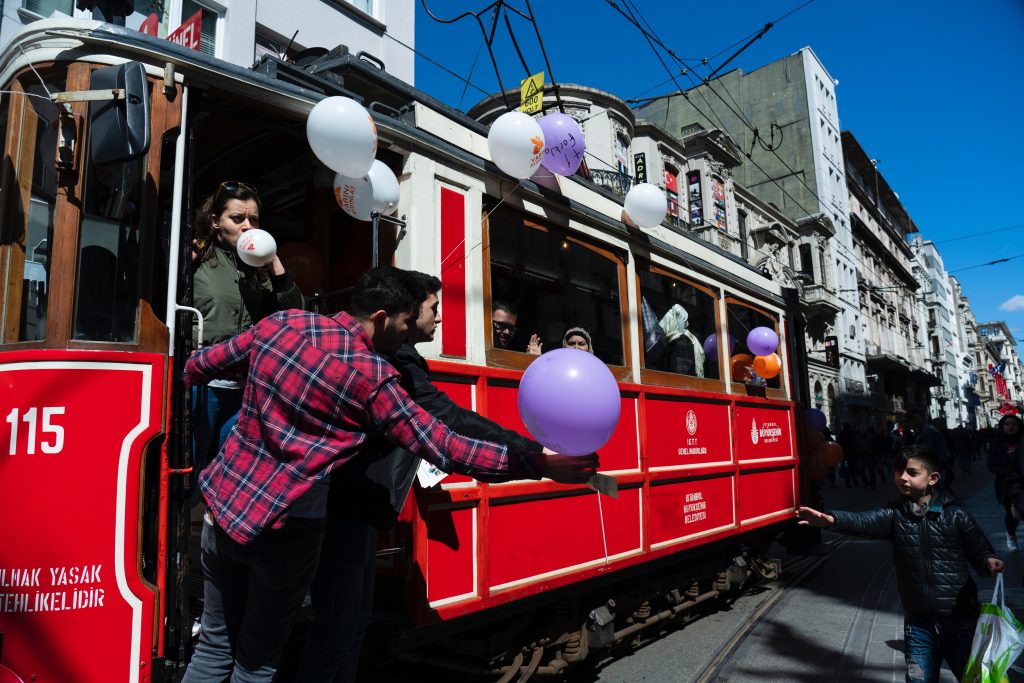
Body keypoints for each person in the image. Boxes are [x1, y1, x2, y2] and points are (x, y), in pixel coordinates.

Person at [181, 267, 597, 682]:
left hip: (222, 510)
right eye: (405, 320)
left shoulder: (282, 324)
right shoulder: (372, 379)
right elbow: (446, 445)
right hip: (287, 526)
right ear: (381, 318)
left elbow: (197, 367)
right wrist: (538, 463)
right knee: (256, 664)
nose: (407, 330)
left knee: (214, 647)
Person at [798, 445, 1003, 683]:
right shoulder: (895, 515)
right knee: (917, 678)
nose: (902, 477)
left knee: (973, 678)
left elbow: (980, 549)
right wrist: (832, 520)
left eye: (911, 472)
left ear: (933, 478)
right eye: (898, 471)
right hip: (918, 625)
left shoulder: (955, 515)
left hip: (960, 622)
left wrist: (988, 562)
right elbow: (863, 521)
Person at [191, 181, 304, 470]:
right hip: (202, 383)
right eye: (237, 218)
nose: (247, 226)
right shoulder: (198, 258)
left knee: (232, 467)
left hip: (244, 386)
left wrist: (274, 262)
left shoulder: (257, 270)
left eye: (253, 219)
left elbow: (293, 315)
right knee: (192, 462)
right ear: (216, 222)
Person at [988, 414, 1024, 551]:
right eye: (1007, 424)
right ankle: (1011, 534)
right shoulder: (997, 444)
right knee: (1012, 513)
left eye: (1014, 423)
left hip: (1023, 482)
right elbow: (991, 465)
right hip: (1006, 485)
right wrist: (1008, 472)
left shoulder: (1022, 441)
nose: (1010, 426)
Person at [657, 304, 705, 377]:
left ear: (674, 321)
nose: (665, 321)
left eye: (669, 318)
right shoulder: (676, 339)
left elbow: (680, 374)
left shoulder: (682, 341)